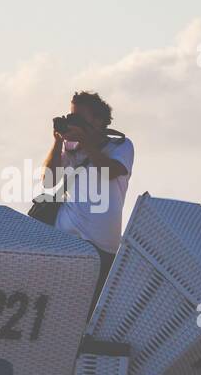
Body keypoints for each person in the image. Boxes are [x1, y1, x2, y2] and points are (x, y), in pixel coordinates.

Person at [40, 91, 134, 314]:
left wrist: (85, 141)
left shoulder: (120, 146)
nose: (74, 123)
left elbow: (109, 171)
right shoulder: (72, 148)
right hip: (67, 239)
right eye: (71, 117)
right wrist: (57, 143)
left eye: (79, 119)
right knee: (60, 308)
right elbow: (48, 180)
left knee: (92, 312)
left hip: (102, 243)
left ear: (98, 121)